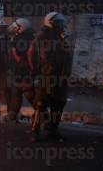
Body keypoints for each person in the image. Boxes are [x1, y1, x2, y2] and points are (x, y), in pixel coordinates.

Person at [28, 12, 71, 142]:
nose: (61, 26)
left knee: (58, 105)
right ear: (52, 23)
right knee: (41, 105)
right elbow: (30, 52)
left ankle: (53, 131)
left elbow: (67, 55)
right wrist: (34, 69)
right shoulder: (42, 36)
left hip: (61, 77)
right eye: (59, 23)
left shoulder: (61, 36)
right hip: (46, 77)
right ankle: (34, 132)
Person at [6, 18, 36, 122]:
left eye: (17, 27)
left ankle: (43, 117)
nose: (15, 29)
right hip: (26, 73)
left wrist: (13, 49)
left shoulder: (20, 40)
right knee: (17, 94)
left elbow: (19, 58)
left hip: (22, 72)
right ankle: (12, 115)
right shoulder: (31, 37)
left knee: (27, 95)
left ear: (21, 27)